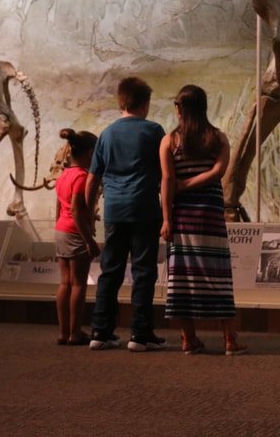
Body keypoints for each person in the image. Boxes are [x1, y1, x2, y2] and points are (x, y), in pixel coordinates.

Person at [159, 84, 247, 356]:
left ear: (179, 109)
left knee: (183, 277)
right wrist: (192, 184)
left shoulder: (169, 141)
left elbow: (167, 181)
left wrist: (166, 218)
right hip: (210, 215)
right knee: (217, 275)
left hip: (183, 216)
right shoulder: (218, 138)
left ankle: (189, 339)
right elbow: (219, 172)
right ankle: (229, 340)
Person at [86, 76, 167, 352]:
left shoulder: (106, 134)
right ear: (145, 104)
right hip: (144, 209)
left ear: (121, 102)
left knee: (111, 271)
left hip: (114, 211)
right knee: (144, 272)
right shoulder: (154, 131)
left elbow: (92, 179)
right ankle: (140, 334)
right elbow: (166, 173)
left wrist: (89, 210)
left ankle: (100, 330)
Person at [53, 127, 99, 346]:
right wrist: (89, 240)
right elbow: (75, 211)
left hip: (61, 231)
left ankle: (64, 332)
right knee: (78, 283)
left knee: (64, 282)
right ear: (90, 153)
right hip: (75, 232)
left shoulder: (64, 176)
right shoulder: (81, 177)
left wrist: (57, 228)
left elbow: (60, 208)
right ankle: (75, 333)